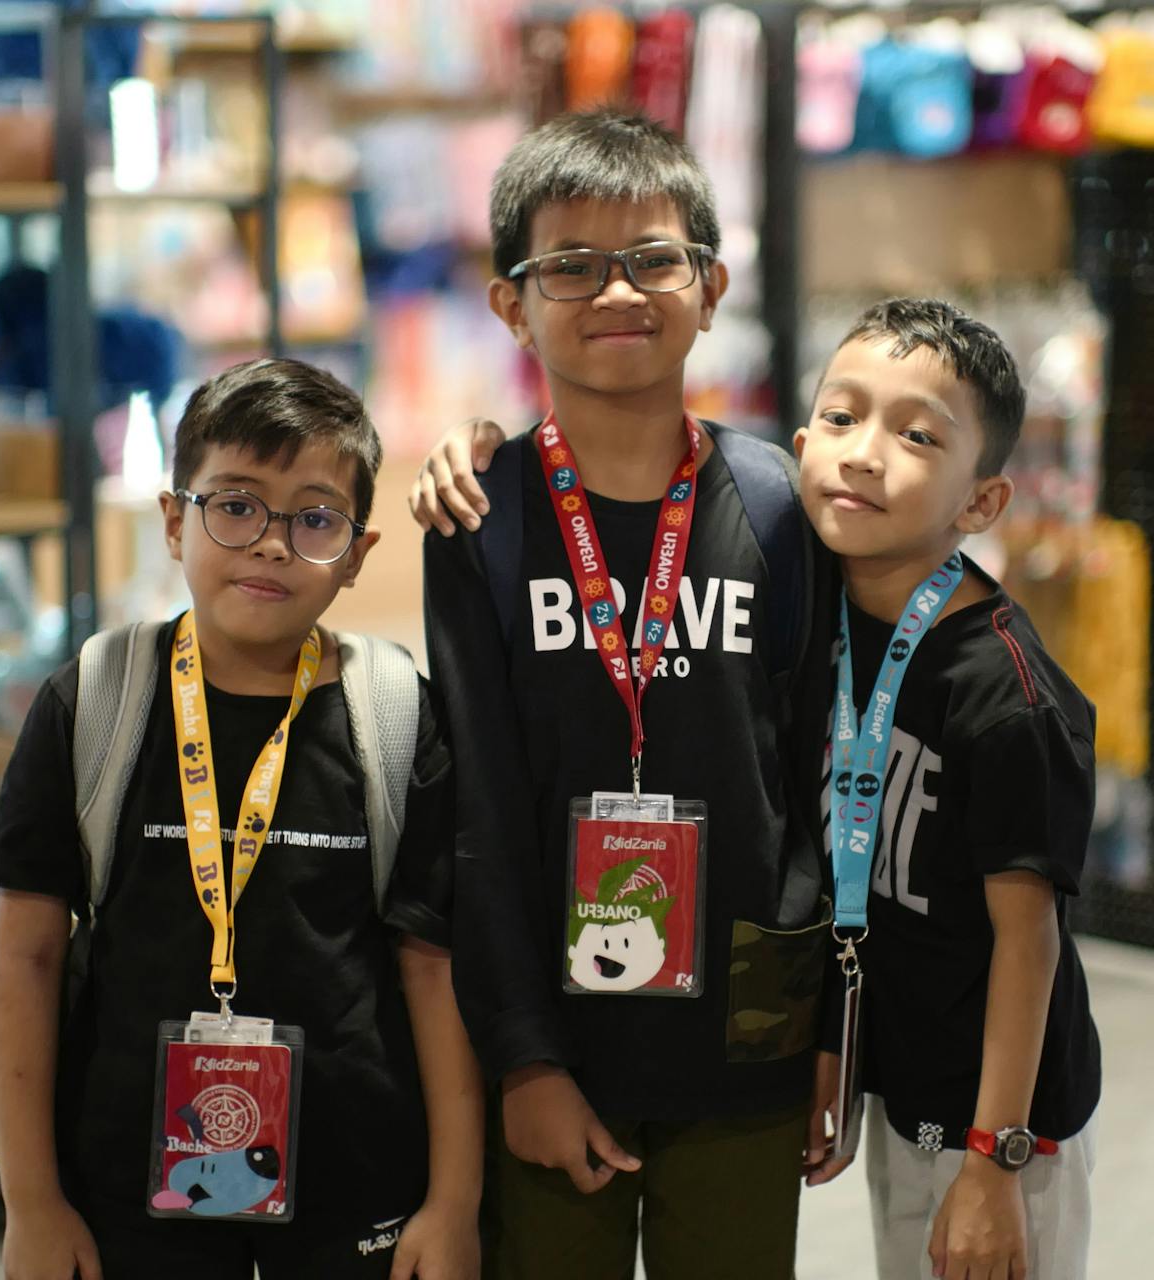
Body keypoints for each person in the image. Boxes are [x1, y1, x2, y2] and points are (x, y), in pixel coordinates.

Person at [417, 107, 833, 1280]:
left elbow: (808, 777)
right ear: (512, 302)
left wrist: (818, 1034)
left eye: (652, 259)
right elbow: (481, 808)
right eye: (571, 266)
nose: (617, 293)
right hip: (561, 1040)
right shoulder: (481, 515)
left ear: (710, 283)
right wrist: (524, 1059)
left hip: (744, 1049)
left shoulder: (783, 504)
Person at [0, 358, 482, 1280]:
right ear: (175, 520)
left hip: (356, 1186)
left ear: (358, 553)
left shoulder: (395, 713)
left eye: (315, 518)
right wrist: (31, 1202)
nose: (273, 544)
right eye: (236, 505)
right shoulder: (95, 698)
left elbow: (433, 970)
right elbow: (26, 959)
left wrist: (452, 1205)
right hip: (128, 1186)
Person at [797, 299, 1102, 1280]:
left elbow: (1030, 937)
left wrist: (993, 1161)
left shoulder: (1007, 698)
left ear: (981, 503)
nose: (864, 452)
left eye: (917, 434)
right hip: (910, 1094)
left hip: (1006, 1131)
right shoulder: (824, 617)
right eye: (842, 417)